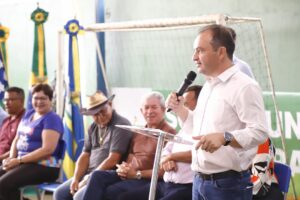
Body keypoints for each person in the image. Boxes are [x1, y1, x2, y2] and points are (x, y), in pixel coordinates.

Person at [166, 24, 268, 200]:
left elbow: (259, 132)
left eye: (200, 51)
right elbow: (197, 128)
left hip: (228, 185)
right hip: (199, 180)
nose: (194, 57)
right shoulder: (209, 85)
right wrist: (180, 109)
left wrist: (225, 137)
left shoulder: (244, 86)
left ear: (221, 52)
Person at [82, 91, 177, 200]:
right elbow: (130, 158)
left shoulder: (170, 133)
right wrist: (123, 168)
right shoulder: (138, 132)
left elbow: (163, 171)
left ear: (163, 110)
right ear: (141, 111)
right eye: (146, 108)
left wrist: (137, 174)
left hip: (148, 179)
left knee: (112, 192)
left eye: (154, 107)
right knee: (97, 176)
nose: (149, 111)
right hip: (131, 175)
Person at [118, 85, 202, 200]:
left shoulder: (204, 128)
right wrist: (166, 159)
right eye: (146, 108)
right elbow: (165, 151)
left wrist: (172, 157)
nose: (182, 108)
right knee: (122, 196)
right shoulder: (183, 129)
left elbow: (200, 153)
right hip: (167, 184)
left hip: (186, 186)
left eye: (185, 104)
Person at [54, 91, 133, 200]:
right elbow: (84, 155)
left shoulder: (121, 124)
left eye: (103, 111)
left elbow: (113, 159)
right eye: (95, 114)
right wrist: (76, 178)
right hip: (89, 173)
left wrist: (88, 179)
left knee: (78, 197)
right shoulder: (93, 127)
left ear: (110, 105)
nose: (100, 116)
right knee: (60, 193)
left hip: (108, 175)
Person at [0, 83, 64, 200]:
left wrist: (18, 161)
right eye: (36, 98)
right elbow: (17, 139)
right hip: (23, 163)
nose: (39, 102)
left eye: (43, 98)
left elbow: (47, 150)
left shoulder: (52, 119)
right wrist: (11, 159)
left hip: (44, 166)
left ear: (50, 100)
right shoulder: (28, 114)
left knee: (3, 184)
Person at [0, 87, 25, 162]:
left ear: (21, 101)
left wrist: (1, 158)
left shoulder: (26, 120)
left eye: (11, 100)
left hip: (10, 161)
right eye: (5, 100)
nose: (6, 103)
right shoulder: (6, 121)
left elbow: (21, 147)